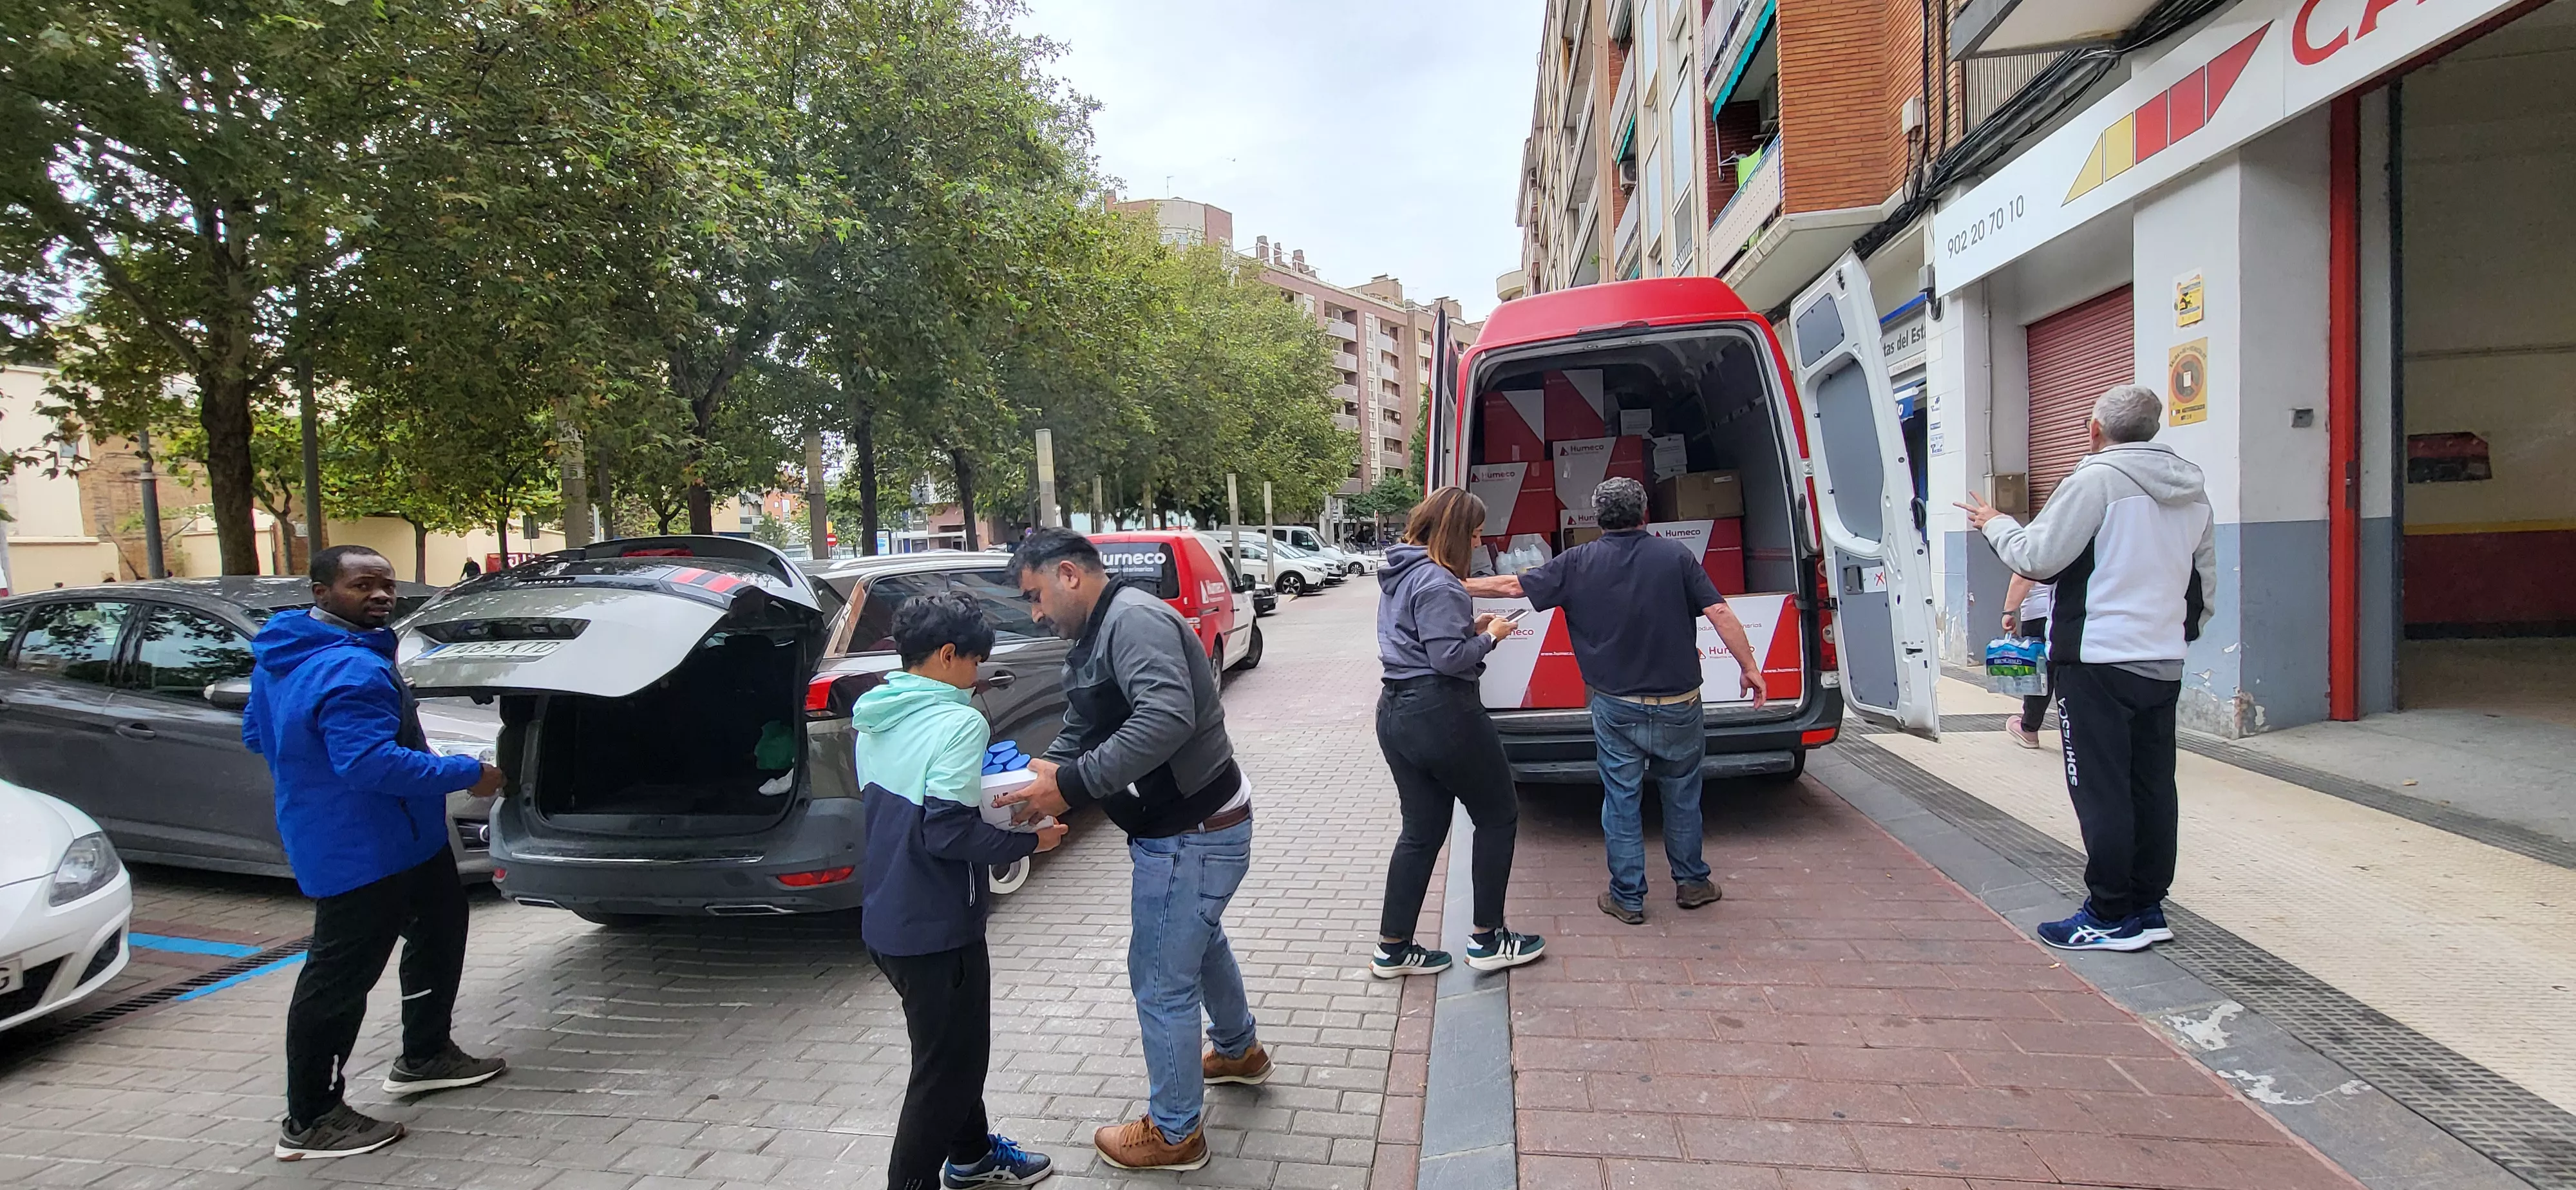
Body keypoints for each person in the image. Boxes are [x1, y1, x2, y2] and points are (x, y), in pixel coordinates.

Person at [994, 527, 1260, 1172]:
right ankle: (1238, 1051)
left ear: (1068, 575)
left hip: (1191, 834)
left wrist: (1073, 786)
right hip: (1193, 829)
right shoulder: (1101, 630)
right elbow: (1086, 723)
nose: (1035, 613)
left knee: (1160, 979)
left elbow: (1165, 718)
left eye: (1034, 596)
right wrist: (1046, 778)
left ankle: (1175, 1134)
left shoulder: (1133, 621)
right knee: (1199, 942)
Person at [243, 545, 507, 1161]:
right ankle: (311, 1119)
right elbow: (368, 763)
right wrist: (469, 772)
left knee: (441, 927)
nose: (381, 595)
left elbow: (258, 734)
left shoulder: (287, 654)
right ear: (321, 592)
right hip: (361, 849)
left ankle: (426, 1056)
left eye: (385, 584)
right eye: (362, 585)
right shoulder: (351, 669)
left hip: (401, 838)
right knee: (339, 979)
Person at [1958, 384, 2216, 952]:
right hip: (2162, 661)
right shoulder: (2193, 490)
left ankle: (2108, 914)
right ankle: (2147, 907)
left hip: (2097, 662)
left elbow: (2036, 557)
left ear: (2096, 430)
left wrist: (1995, 523)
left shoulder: (2095, 480)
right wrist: (2172, 635)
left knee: (2100, 790)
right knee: (2152, 786)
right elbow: (2203, 582)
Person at [1466, 478, 1765, 925]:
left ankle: (1627, 898)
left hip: (1617, 705)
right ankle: (1692, 883)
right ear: (1644, 512)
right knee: (1682, 794)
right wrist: (1749, 667)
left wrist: (1452, 581)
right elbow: (1718, 611)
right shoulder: (1676, 556)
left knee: (1621, 798)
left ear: (1597, 517)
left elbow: (1512, 587)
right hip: (1680, 703)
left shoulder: (1578, 561)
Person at [853, 590, 1065, 1190]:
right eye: (974, 661)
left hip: (889, 919)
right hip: (938, 929)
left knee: (948, 1054)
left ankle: (972, 1157)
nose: (977, 675)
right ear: (948, 655)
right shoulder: (958, 721)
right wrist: (1032, 842)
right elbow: (946, 833)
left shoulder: (875, 713)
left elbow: (917, 816)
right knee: (947, 1073)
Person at [1371, 487, 1544, 976]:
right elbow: (1447, 660)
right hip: (1443, 713)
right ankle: (1488, 939)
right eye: (1474, 533)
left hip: (1396, 712)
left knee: (1421, 831)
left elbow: (1423, 641)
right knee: (1498, 815)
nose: (1478, 542)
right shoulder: (1441, 582)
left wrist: (1470, 629)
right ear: (1455, 532)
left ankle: (1393, 948)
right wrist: (1490, 637)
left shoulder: (1401, 574)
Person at [2001, 574, 2055, 749]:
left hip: (2038, 614)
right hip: (2066, 613)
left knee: (2039, 674)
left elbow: (2023, 578)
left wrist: (2009, 612)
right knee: (2065, 670)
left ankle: (2029, 729)